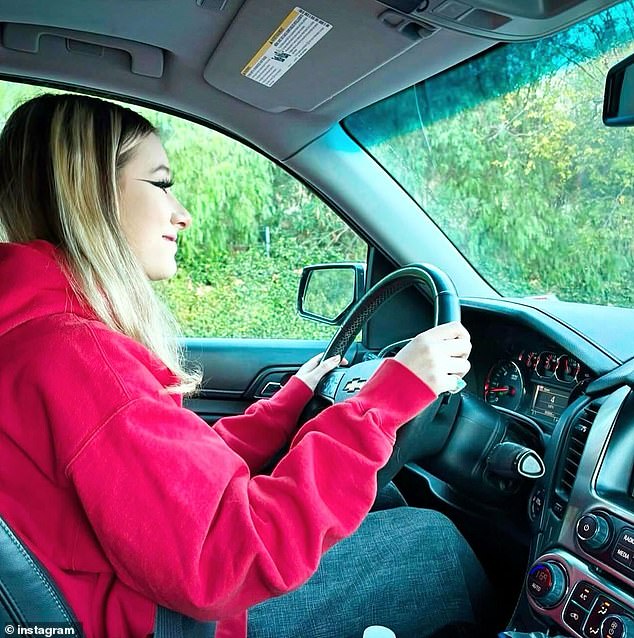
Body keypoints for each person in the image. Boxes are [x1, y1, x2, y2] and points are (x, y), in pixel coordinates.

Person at [0, 94, 490, 638]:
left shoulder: (37, 337)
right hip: (178, 624)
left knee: (391, 506)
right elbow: (229, 556)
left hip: (138, 602)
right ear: (90, 197)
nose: (180, 213)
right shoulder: (79, 359)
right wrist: (382, 402)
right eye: (161, 184)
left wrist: (287, 407)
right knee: (428, 543)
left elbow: (173, 486)